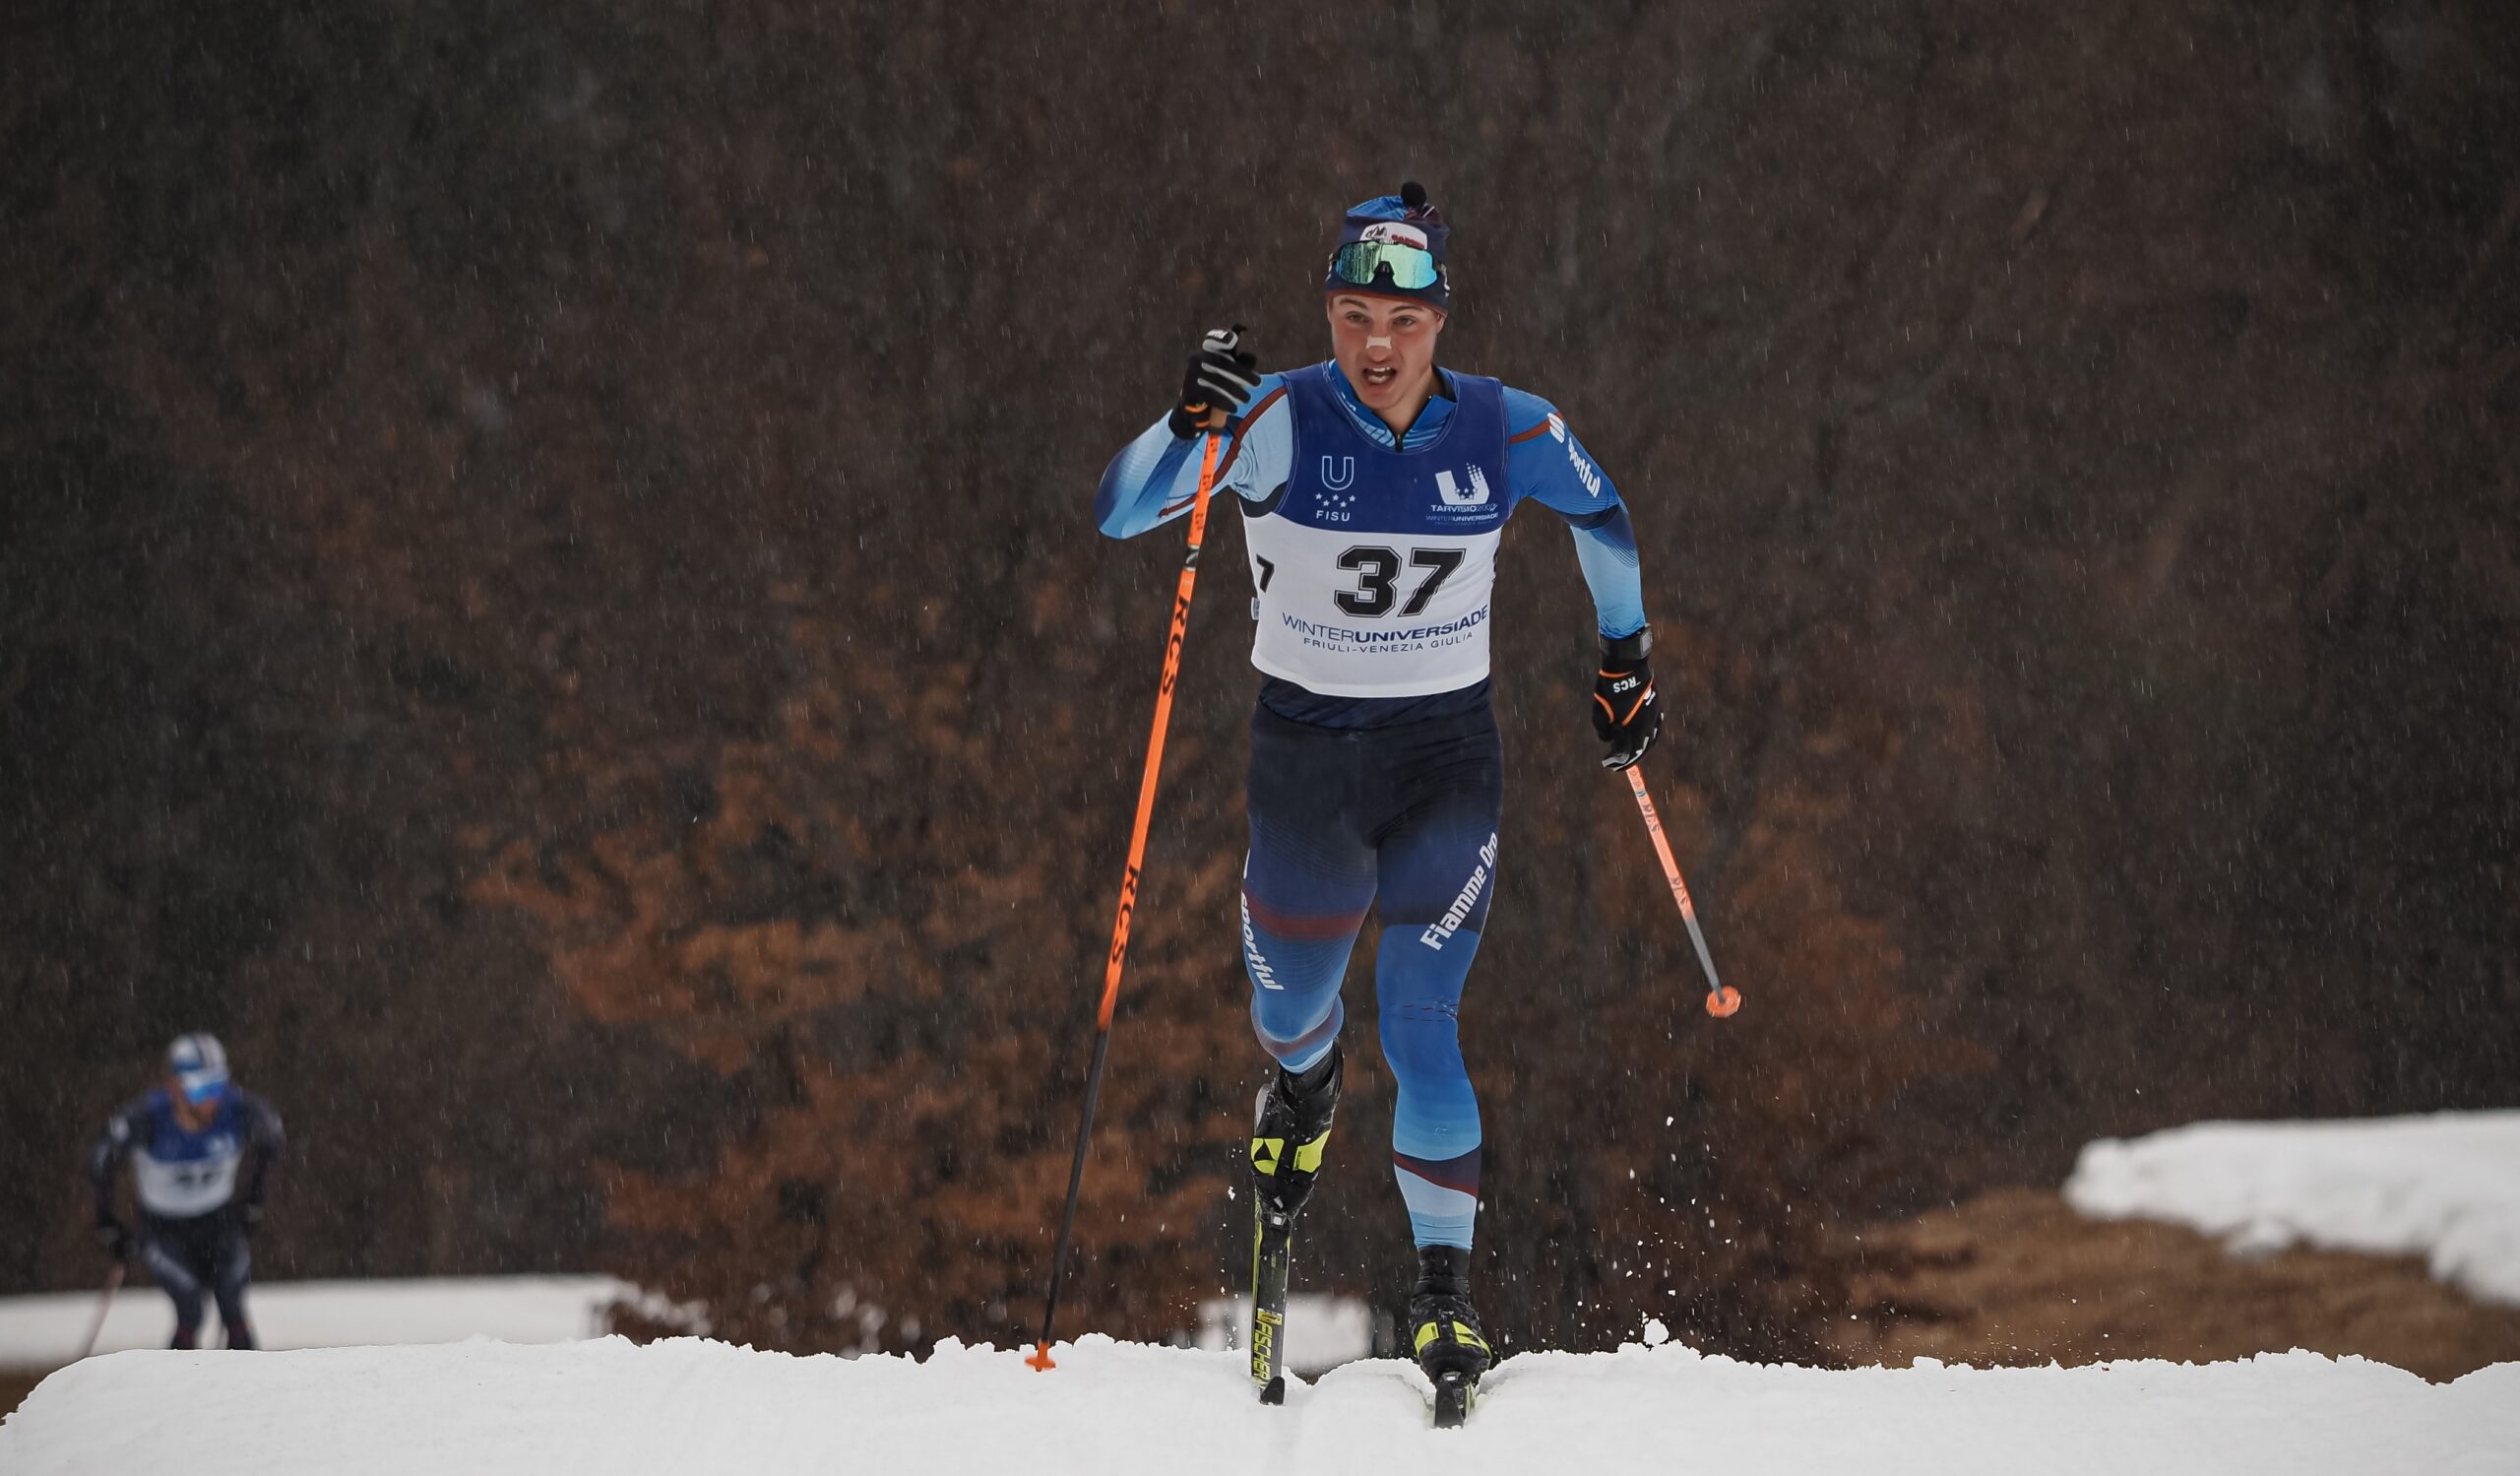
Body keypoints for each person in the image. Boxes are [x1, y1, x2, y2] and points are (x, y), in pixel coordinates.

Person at [1094, 182, 1659, 1390]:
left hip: (1443, 763)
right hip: (1307, 768)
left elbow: (1604, 513)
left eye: (1402, 321)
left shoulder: (1504, 427)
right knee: (1288, 1008)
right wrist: (1183, 421)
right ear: (1330, 317)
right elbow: (1121, 511)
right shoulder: (1277, 420)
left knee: (1420, 1015)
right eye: (1353, 317)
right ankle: (1303, 1082)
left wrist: (1626, 657)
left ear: (1440, 319)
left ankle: (1442, 1293)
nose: (1378, 346)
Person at [88, 1033, 285, 1350]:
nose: (211, 1100)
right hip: (163, 1230)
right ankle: (178, 1379)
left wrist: (255, 1201)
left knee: (233, 1305)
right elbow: (100, 1163)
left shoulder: (236, 1109)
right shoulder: (148, 1118)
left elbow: (272, 1141)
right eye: (199, 1089)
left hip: (218, 1223)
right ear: (174, 1087)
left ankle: (253, 1379)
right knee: (190, 1308)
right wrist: (107, 1224)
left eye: (217, 1087)